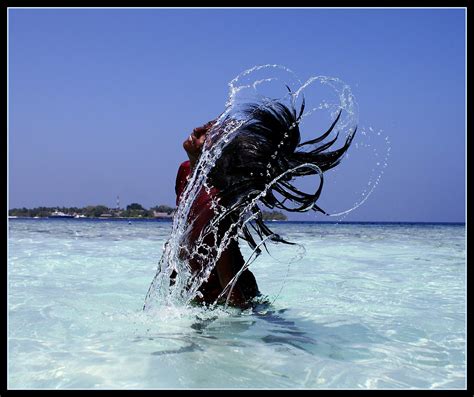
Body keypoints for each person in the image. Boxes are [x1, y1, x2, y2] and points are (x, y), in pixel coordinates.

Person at [174, 99, 356, 308]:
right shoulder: (185, 172)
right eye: (206, 125)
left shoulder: (218, 203)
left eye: (209, 134)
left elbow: (229, 283)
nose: (198, 129)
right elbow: (182, 239)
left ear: (220, 155)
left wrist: (239, 330)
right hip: (206, 299)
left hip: (235, 297)